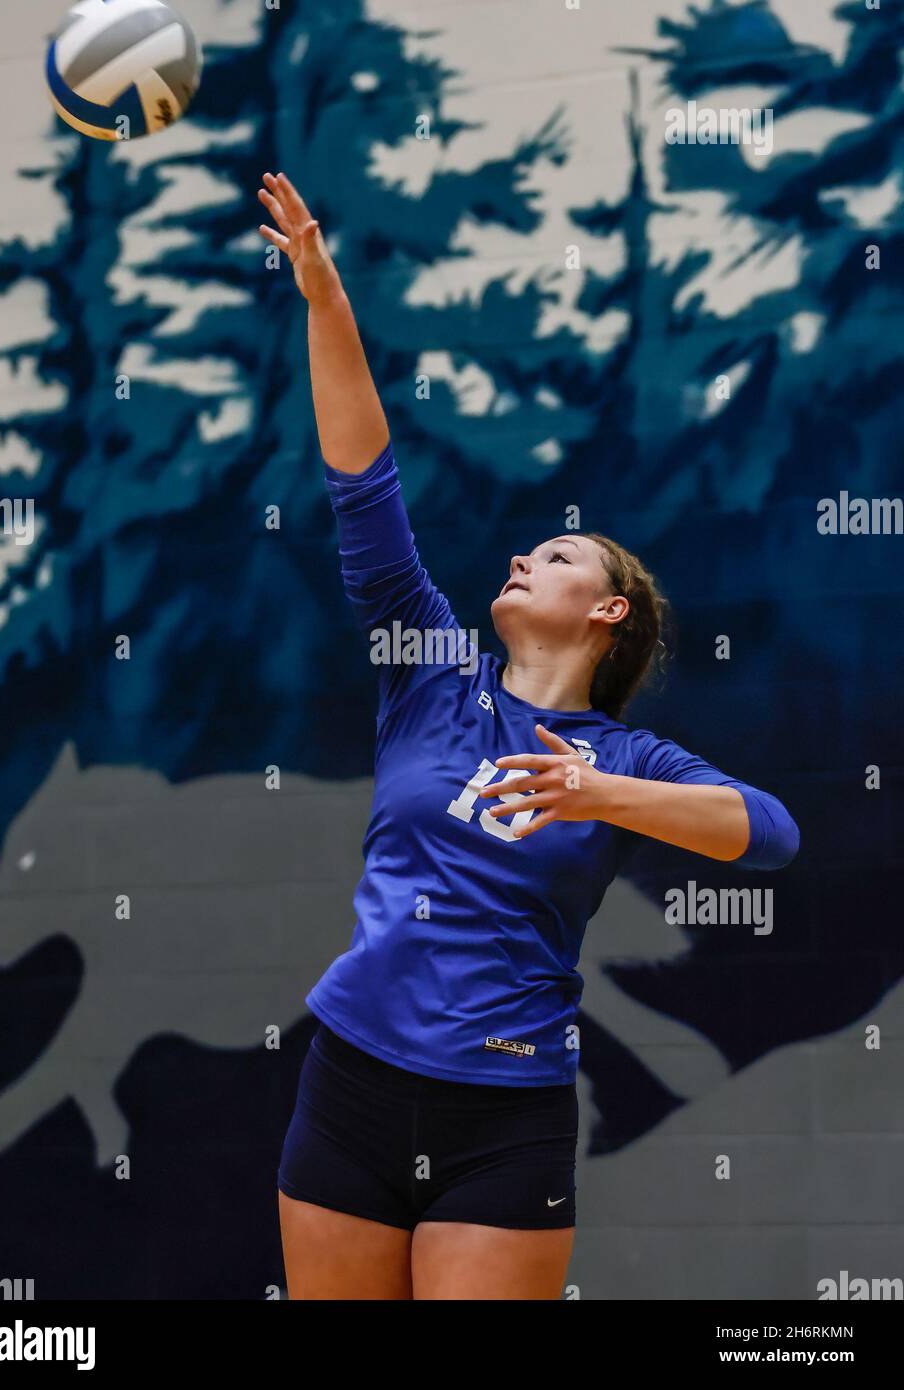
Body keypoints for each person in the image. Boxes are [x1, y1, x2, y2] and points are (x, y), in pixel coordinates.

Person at [257, 171, 799, 1301]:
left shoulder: (632, 760)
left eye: (558, 558)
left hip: (505, 1110)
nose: (522, 558)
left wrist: (602, 797)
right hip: (351, 1079)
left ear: (610, 612)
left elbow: (772, 835)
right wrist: (325, 301)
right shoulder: (430, 674)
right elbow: (364, 487)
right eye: (526, 554)